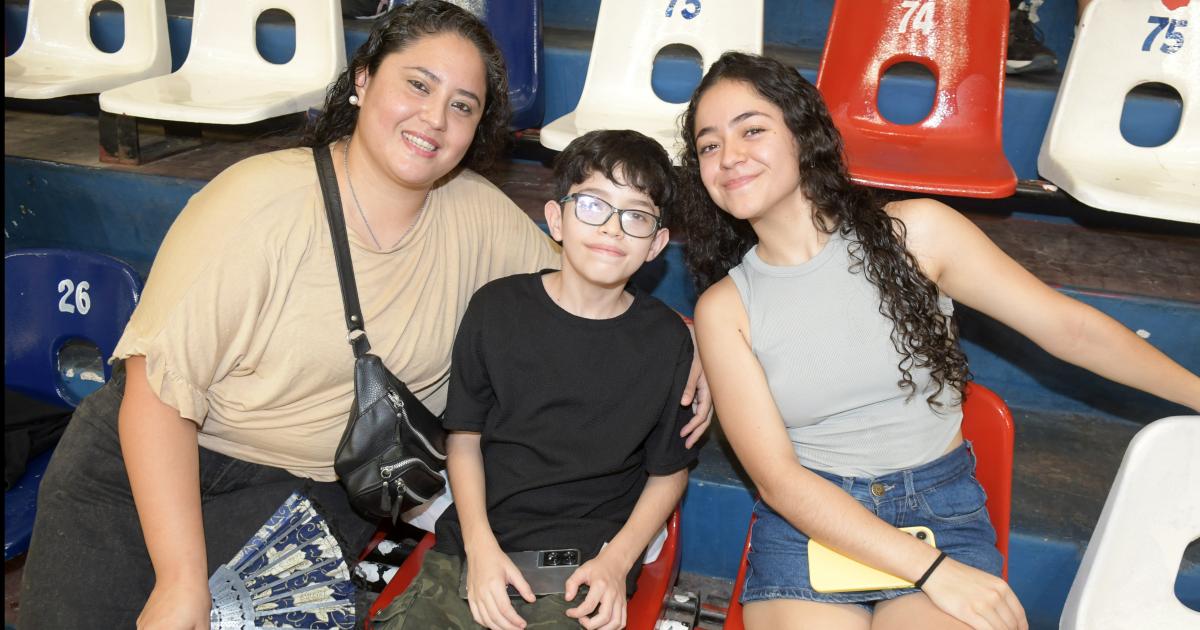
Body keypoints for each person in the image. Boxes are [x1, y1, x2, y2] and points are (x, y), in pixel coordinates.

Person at [17, 3, 711, 628]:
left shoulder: (477, 217)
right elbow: (156, 395)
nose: (435, 118)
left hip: (317, 496)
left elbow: (595, 283)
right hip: (155, 473)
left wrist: (701, 350)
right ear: (362, 80)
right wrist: (179, 580)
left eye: (463, 105)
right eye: (418, 85)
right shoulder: (256, 202)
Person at [679, 52, 1200, 630]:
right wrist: (931, 571)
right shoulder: (724, 309)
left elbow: (1068, 329)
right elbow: (780, 481)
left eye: (752, 130)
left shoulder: (917, 233)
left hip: (938, 509)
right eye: (709, 145)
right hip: (812, 521)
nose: (730, 156)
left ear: (803, 135)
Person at [373, 129, 697, 630]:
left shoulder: (666, 342)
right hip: (476, 545)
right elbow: (464, 438)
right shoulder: (496, 308)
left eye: (635, 215)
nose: (612, 229)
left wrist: (616, 562)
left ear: (656, 244)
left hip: (586, 561)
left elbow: (669, 470)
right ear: (556, 219)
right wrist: (480, 547)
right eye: (593, 205)